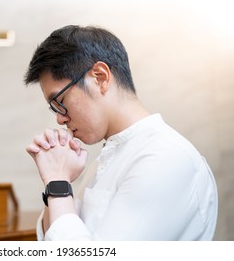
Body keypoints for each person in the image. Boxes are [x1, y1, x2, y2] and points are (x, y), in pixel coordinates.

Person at [24, 25, 218, 241]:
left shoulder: (166, 156)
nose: (59, 118)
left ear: (100, 78)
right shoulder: (109, 157)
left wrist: (57, 181)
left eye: (59, 102)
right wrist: (57, 179)